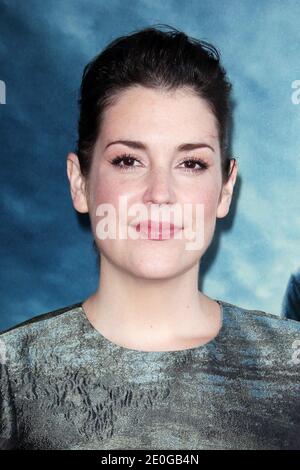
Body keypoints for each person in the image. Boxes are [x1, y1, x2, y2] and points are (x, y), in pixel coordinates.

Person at [1, 24, 300, 450]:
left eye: (191, 164)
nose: (160, 194)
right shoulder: (11, 373)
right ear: (79, 183)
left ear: (226, 189)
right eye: (128, 160)